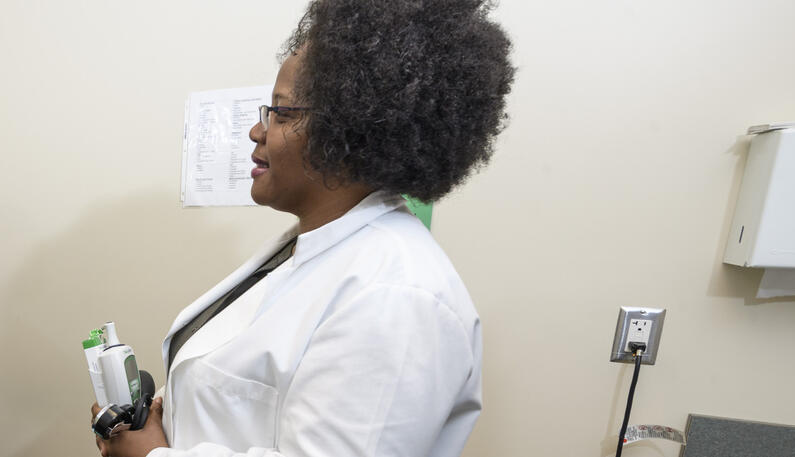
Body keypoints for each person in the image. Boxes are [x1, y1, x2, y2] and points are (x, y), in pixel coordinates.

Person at [93, 0, 514, 456]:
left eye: (282, 113)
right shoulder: (314, 250)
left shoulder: (397, 297)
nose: (258, 132)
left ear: (350, 132)